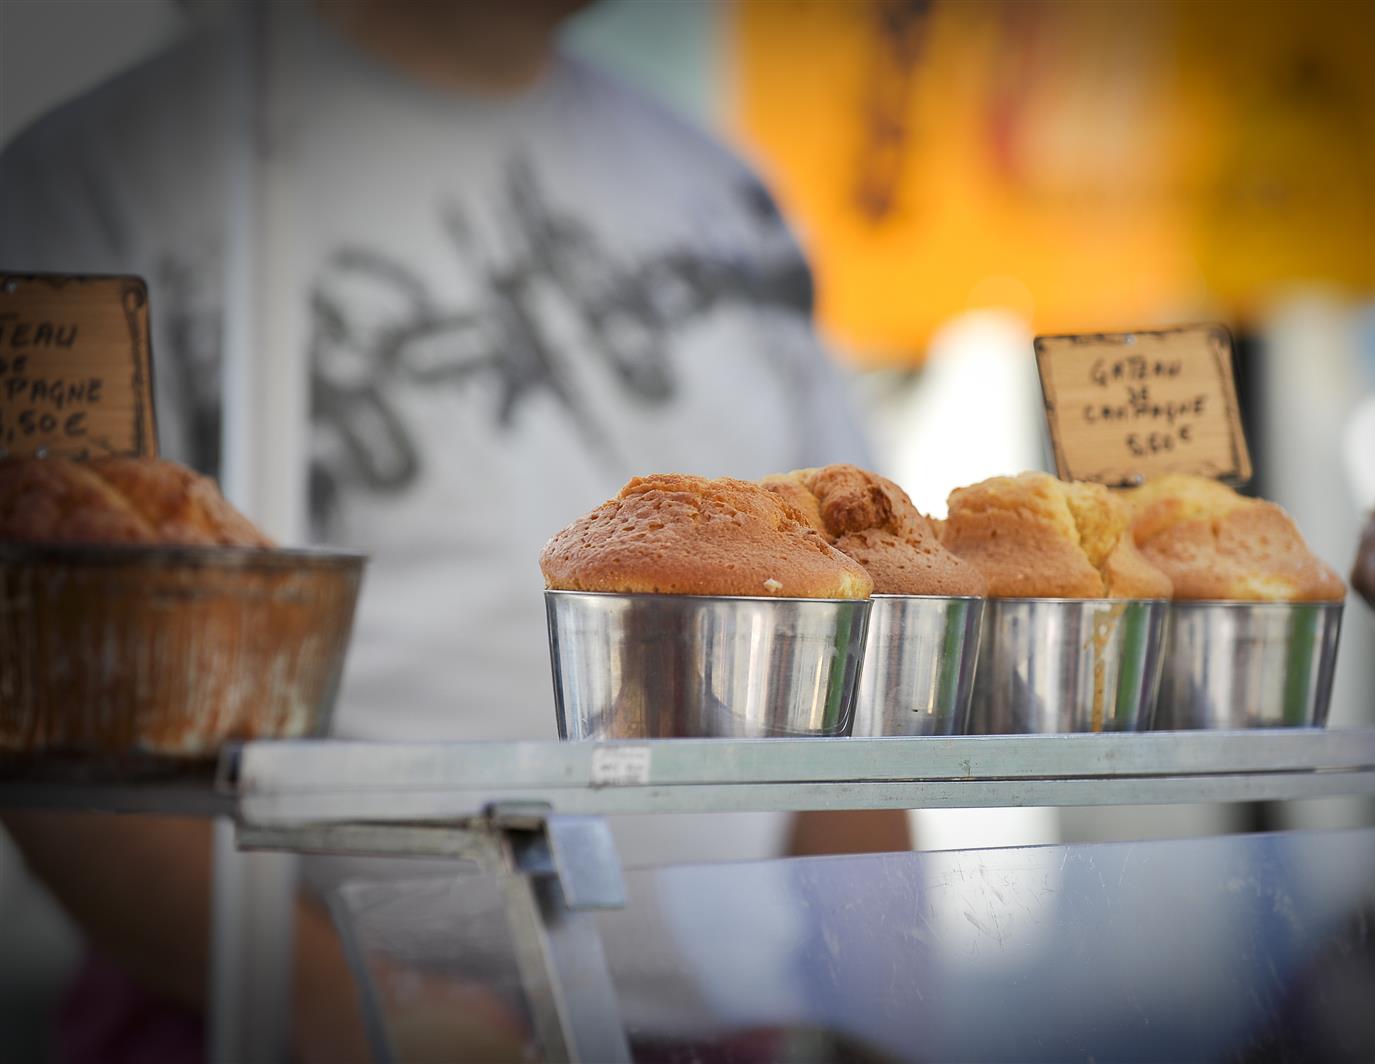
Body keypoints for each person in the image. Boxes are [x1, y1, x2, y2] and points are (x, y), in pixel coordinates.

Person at [0, 2, 908, 1060]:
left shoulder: (718, 186)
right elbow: (46, 678)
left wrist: (886, 1011)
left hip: (735, 1027)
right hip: (258, 1029)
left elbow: (852, 649)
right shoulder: (100, 178)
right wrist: (334, 1001)